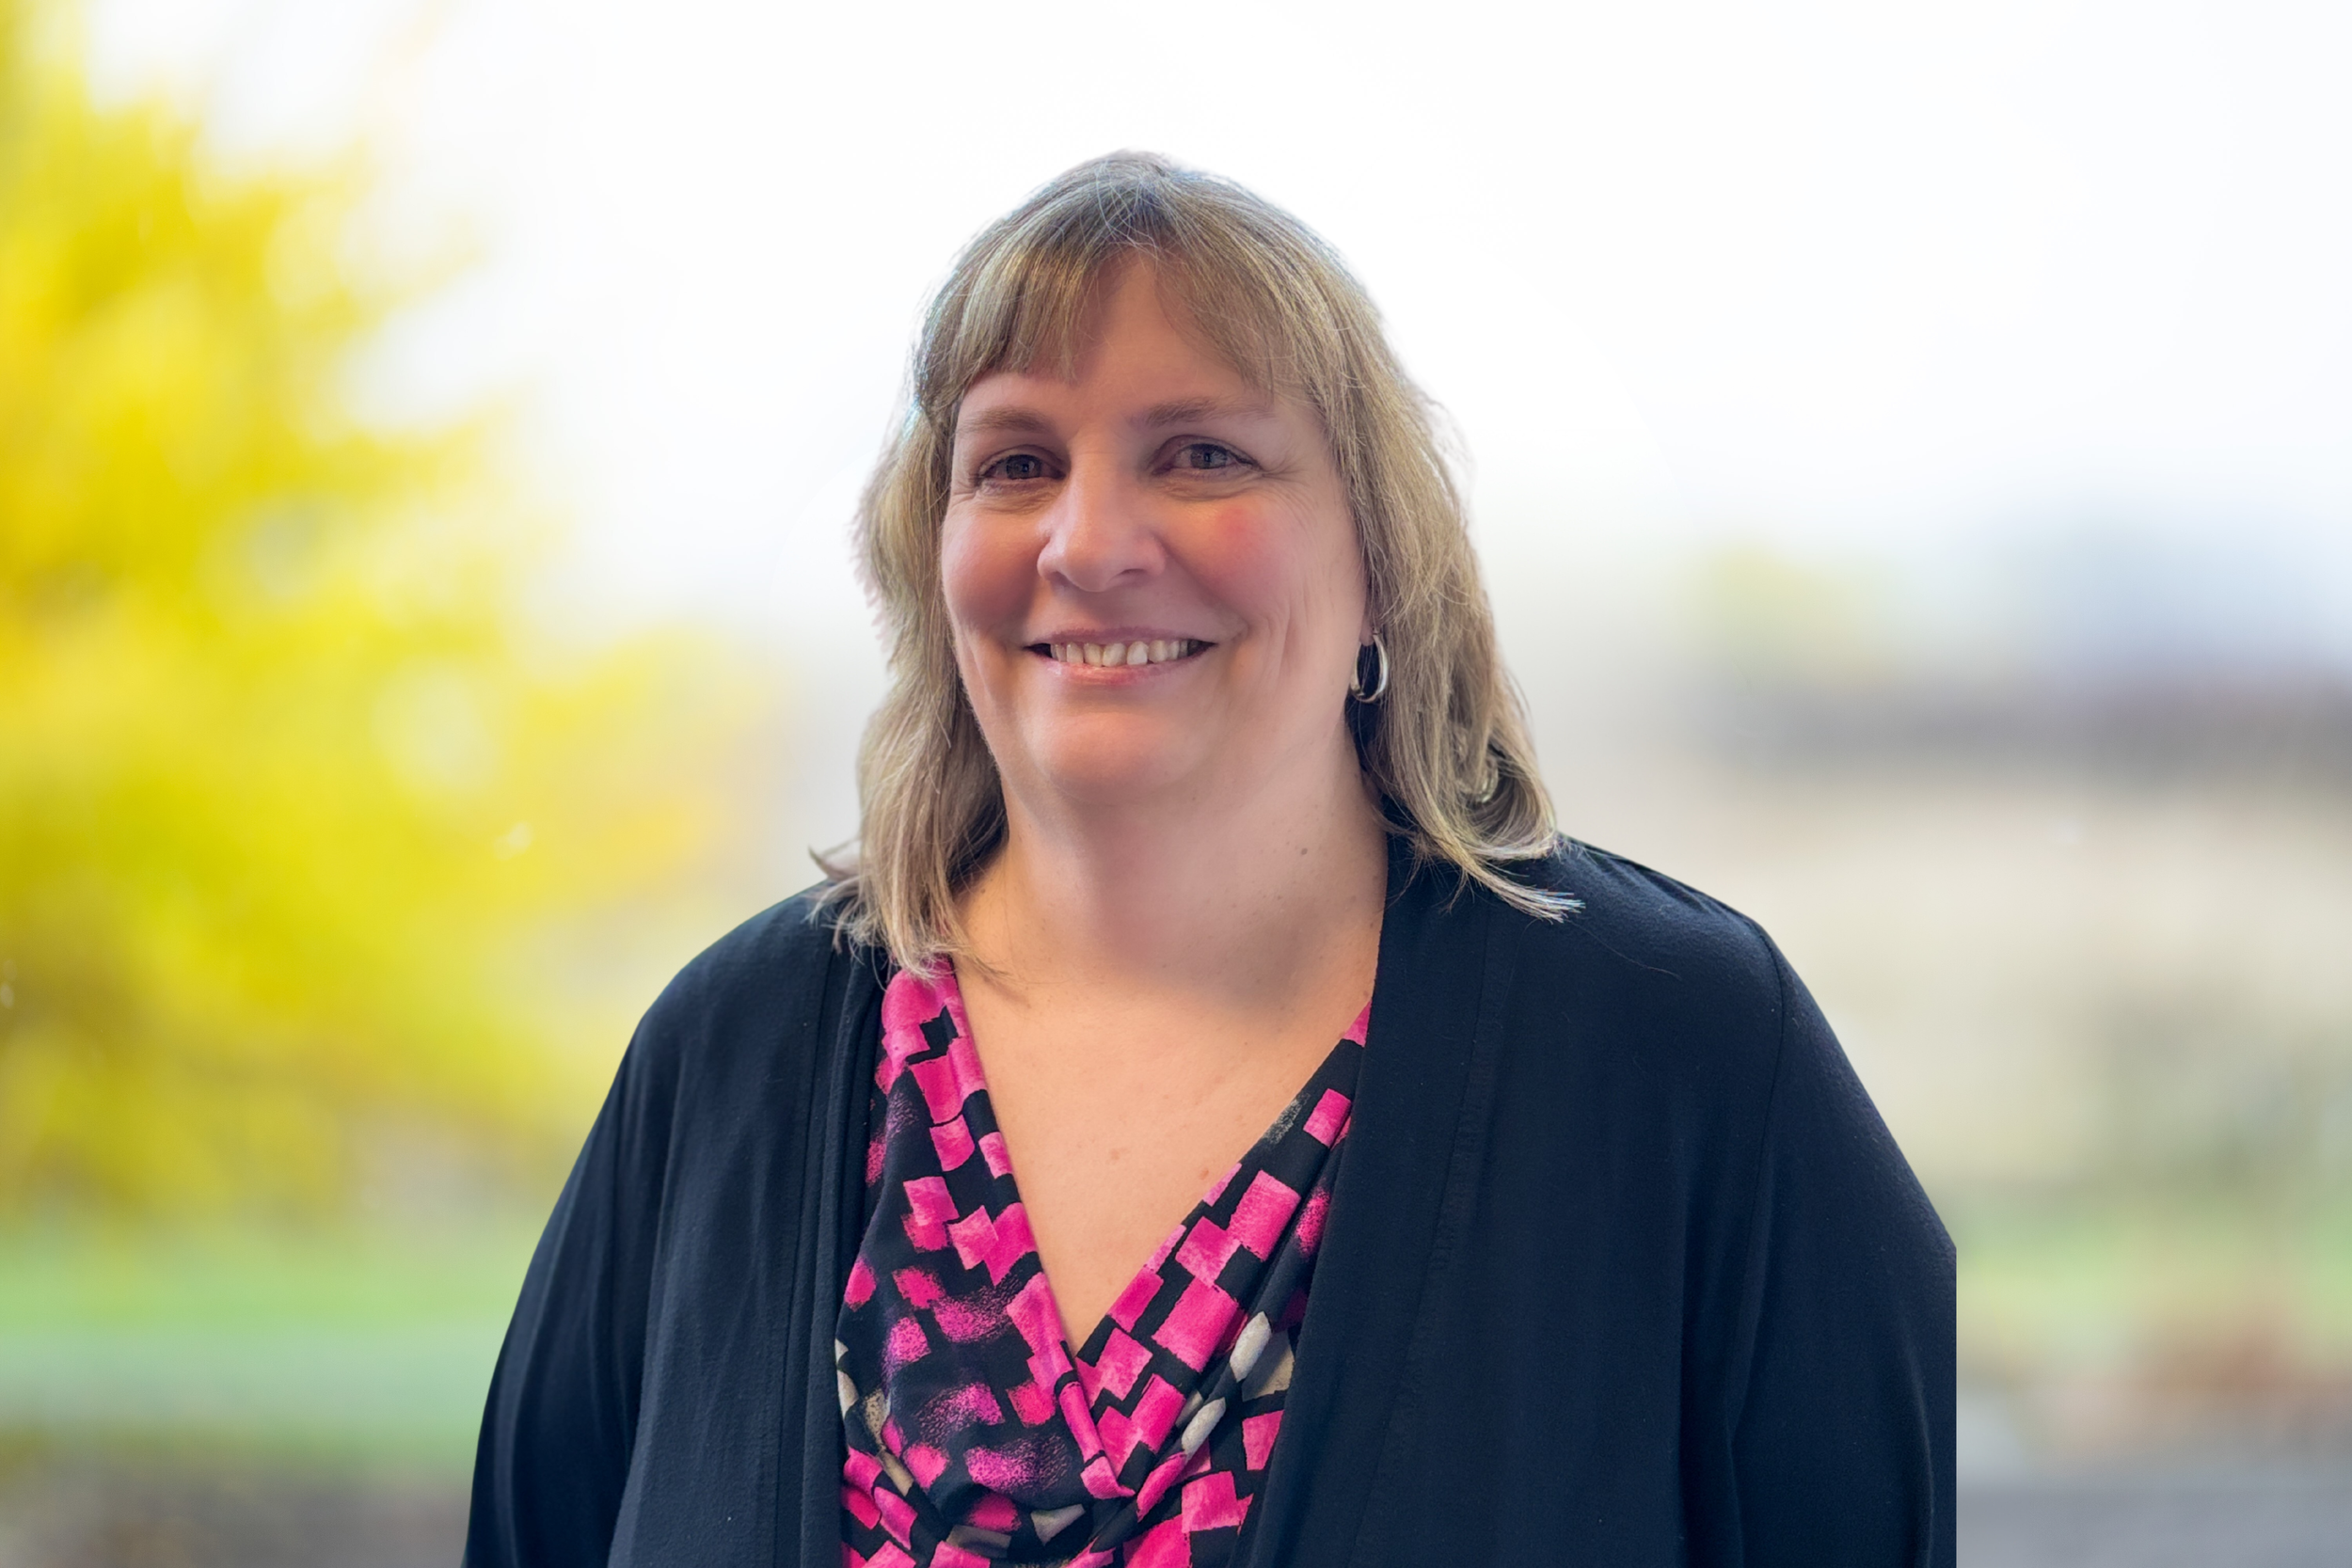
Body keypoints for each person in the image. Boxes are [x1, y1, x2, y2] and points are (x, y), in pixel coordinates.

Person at [466, 152, 1954, 1568]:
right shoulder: (730, 1057)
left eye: (1202, 455)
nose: (1090, 541)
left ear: (1380, 554)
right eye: (1017, 461)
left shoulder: (1685, 1051)